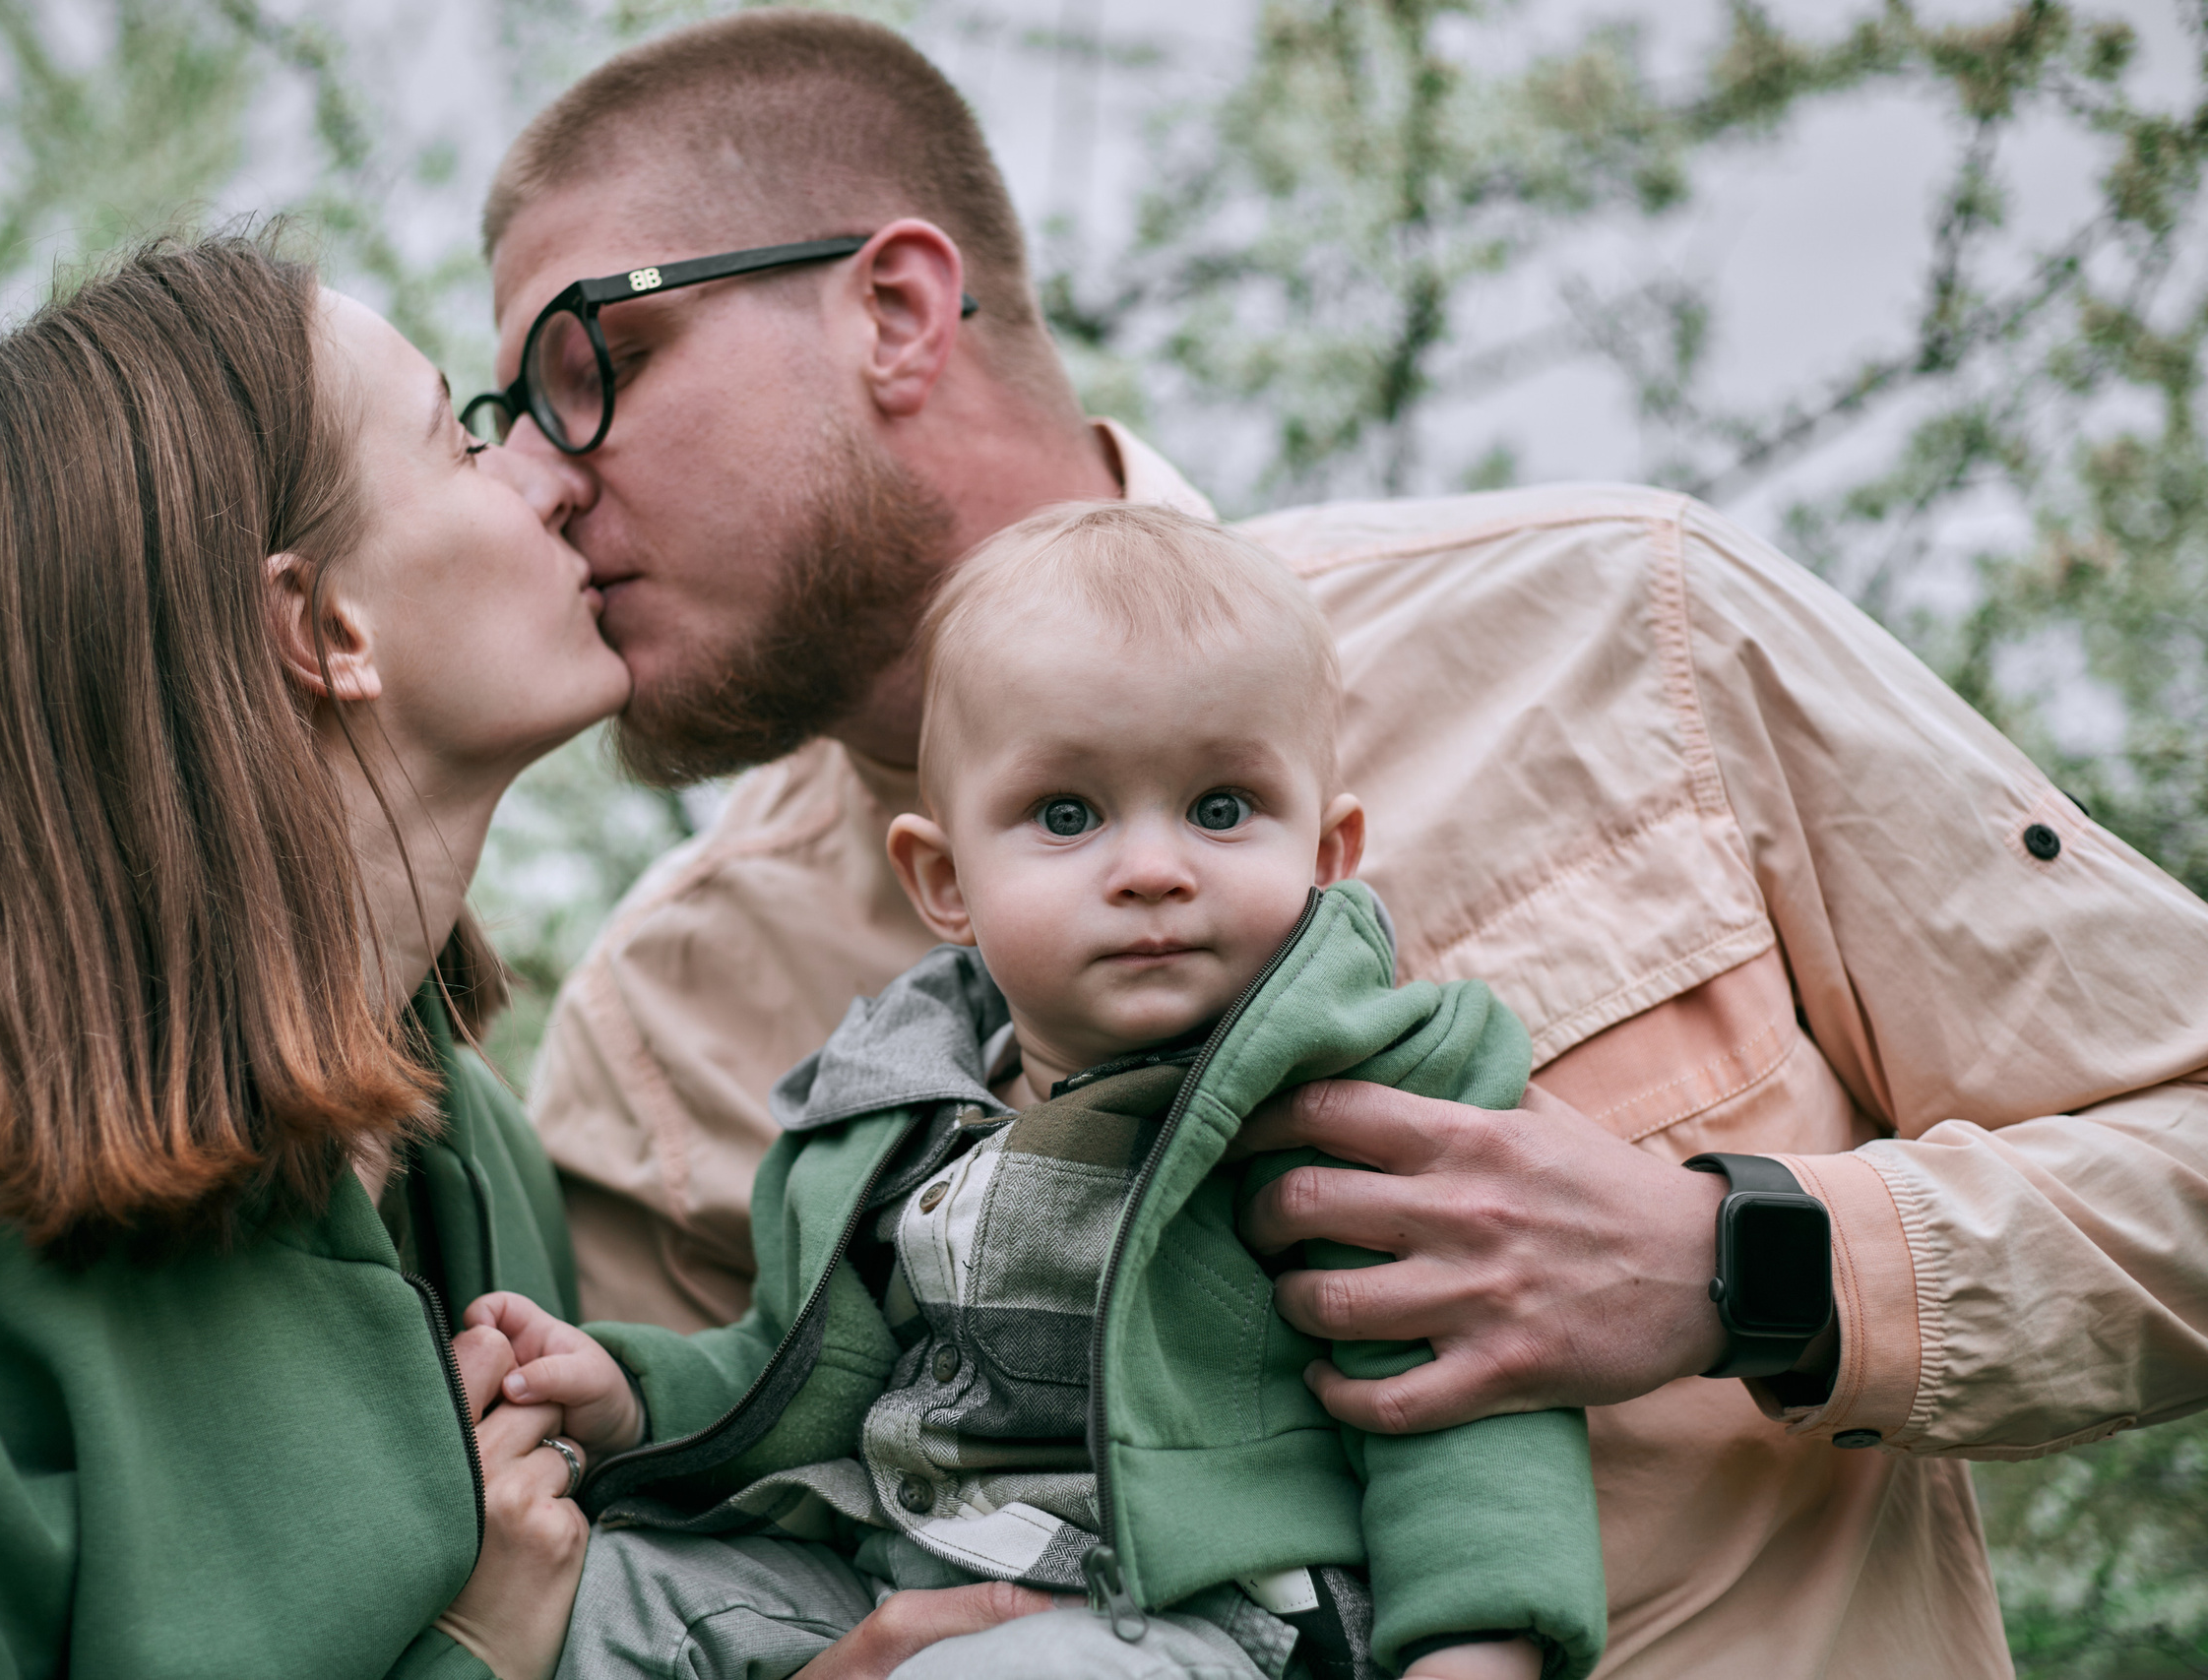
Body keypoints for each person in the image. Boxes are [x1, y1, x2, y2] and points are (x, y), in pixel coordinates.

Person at [473, 13, 2208, 1677]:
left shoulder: (1619, 629)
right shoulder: (659, 1035)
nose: (545, 484)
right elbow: (670, 1535)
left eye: (591, 370)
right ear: (941, 875)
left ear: (899, 312)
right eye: (507, 425)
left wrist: (1741, 1263)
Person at [0, 234, 1042, 1680]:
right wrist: (474, 1652)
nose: (547, 471)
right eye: (462, 439)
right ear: (325, 624)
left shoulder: (477, 1155)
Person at [481, 505, 1608, 1680]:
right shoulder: (886, 1109)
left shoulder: (1352, 1091)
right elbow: (800, 1375)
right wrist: (634, 1396)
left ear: (1325, 856)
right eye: (1066, 816)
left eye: (1221, 809)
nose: (1154, 871)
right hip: (894, 1564)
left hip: (1204, 1613)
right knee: (609, 1596)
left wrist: (1473, 1653)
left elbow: (1466, 1402)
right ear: (942, 879)